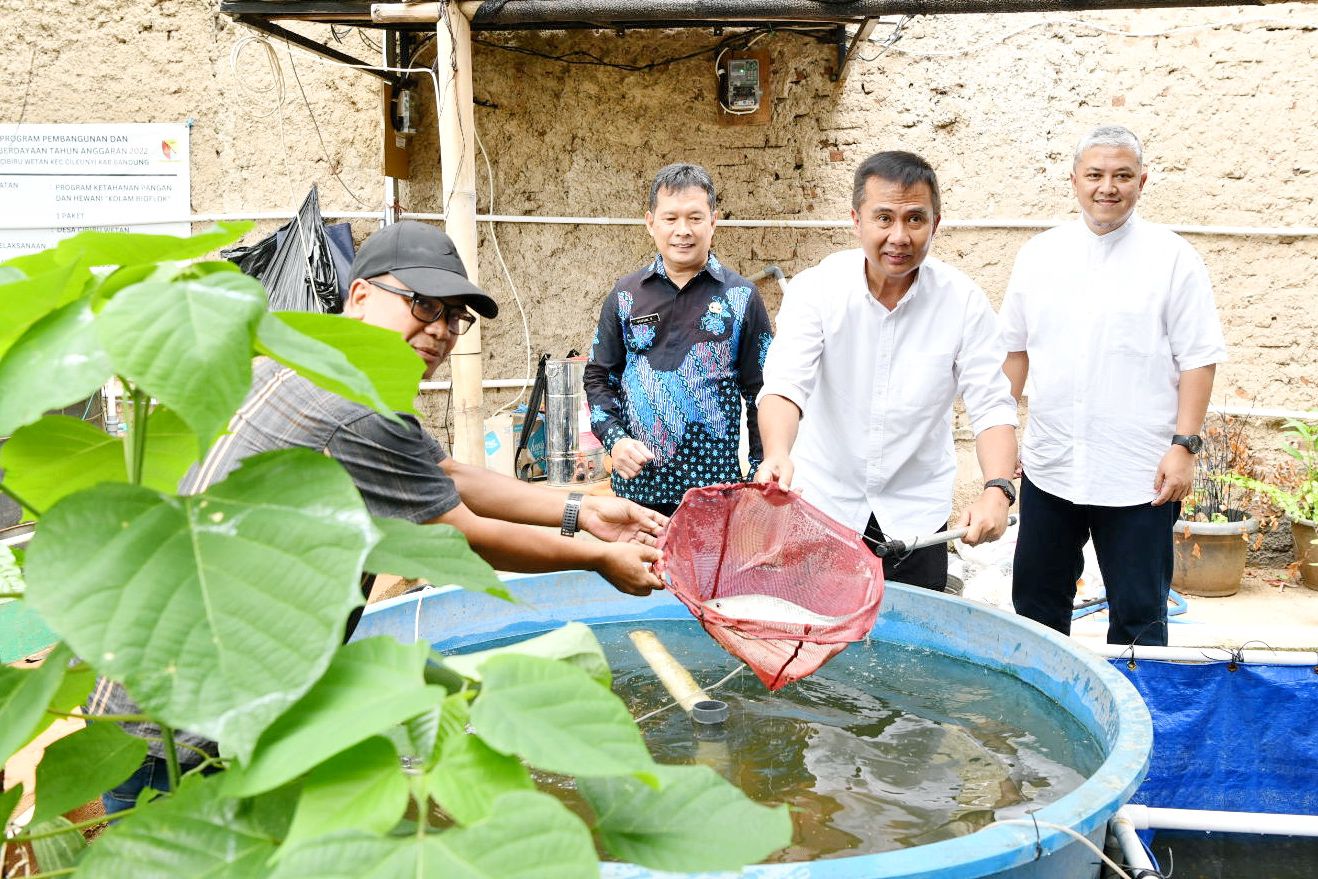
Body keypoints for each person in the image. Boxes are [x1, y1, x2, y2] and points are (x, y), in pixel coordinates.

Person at [90, 220, 666, 812]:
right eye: (423, 303)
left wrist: (585, 509)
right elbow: (462, 538)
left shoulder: (302, 366)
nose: (440, 330)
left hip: (141, 694)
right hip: (193, 732)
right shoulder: (358, 408)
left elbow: (447, 476)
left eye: (454, 317)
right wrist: (599, 558)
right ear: (360, 295)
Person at [1000, 125, 1227, 646]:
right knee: (1035, 604)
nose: (1108, 187)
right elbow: (1014, 350)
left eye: (1122, 175)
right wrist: (1003, 430)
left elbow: (1199, 360)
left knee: (1140, 612)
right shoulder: (1040, 256)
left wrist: (1184, 446)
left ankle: (1140, 720)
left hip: (1139, 475)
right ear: (1074, 180)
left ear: (1142, 181)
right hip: (1051, 465)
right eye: (1095, 175)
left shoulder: (1174, 259)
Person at [754, 151, 1018, 591]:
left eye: (915, 219)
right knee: (816, 643)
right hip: (823, 506)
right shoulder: (816, 290)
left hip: (916, 515)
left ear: (936, 223)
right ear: (856, 220)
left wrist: (997, 490)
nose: (899, 236)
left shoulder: (963, 302)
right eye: (884, 218)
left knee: (910, 650)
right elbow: (785, 385)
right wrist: (778, 452)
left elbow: (992, 404)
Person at [584, 163, 774, 517]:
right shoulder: (625, 295)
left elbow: (762, 391)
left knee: (706, 575)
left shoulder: (742, 297)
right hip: (637, 494)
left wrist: (759, 471)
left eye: (695, 218)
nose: (682, 231)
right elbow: (599, 377)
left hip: (715, 494)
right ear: (650, 222)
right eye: (670, 219)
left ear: (713, 222)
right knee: (640, 573)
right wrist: (615, 440)